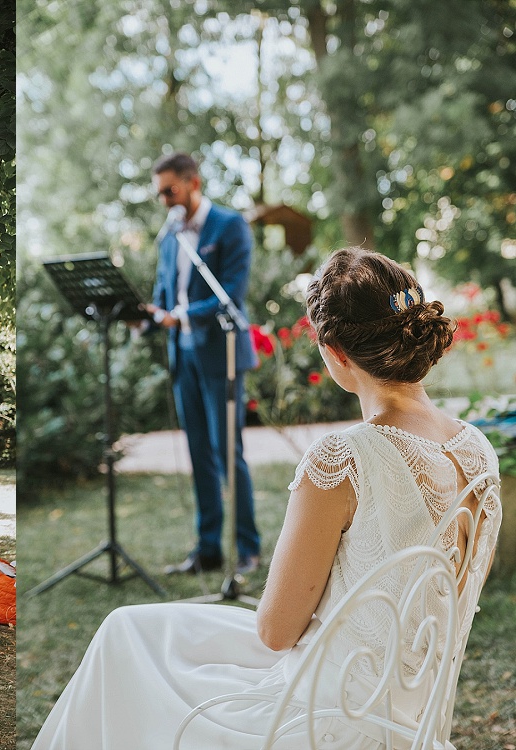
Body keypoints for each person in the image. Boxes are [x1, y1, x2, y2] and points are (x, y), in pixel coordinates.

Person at [31, 247, 501, 749]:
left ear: (334, 352)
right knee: (135, 627)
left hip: (323, 719)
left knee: (126, 643)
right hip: (412, 710)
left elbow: (276, 633)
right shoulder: (478, 450)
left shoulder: (343, 458)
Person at [146, 151, 261, 575]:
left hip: (221, 353)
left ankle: (247, 548)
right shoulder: (168, 235)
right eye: (159, 193)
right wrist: (147, 317)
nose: (164, 200)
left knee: (228, 453)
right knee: (199, 455)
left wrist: (186, 314)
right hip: (184, 356)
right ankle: (208, 549)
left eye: (169, 190)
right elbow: (164, 289)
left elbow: (230, 291)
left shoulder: (229, 226)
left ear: (193, 182)